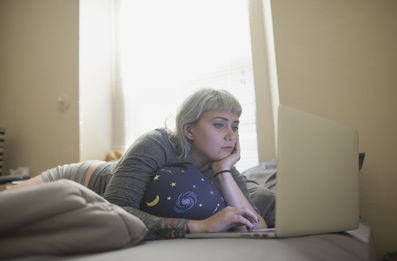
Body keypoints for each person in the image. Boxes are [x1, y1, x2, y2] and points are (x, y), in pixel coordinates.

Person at [10, 88, 267, 239]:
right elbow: (116, 210)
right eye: (219, 124)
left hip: (89, 197)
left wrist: (223, 171)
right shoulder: (157, 144)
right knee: (8, 201)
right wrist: (199, 226)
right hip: (78, 181)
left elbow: (260, 228)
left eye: (235, 126)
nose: (231, 135)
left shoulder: (222, 164)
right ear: (189, 130)